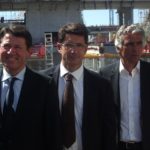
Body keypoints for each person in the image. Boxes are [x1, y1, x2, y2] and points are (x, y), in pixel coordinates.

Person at [41, 22, 116, 150]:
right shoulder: (42, 82)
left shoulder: (101, 85)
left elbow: (108, 130)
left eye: (79, 45)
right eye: (69, 45)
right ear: (59, 47)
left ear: (86, 49)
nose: (73, 50)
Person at [0, 24, 61, 150]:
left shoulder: (45, 85)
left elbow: (53, 133)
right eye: (6, 46)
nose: (11, 51)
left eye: (17, 47)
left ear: (29, 51)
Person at [99, 24, 150, 150]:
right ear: (118, 48)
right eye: (130, 44)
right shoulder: (104, 75)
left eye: (139, 43)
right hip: (116, 145)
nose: (136, 49)